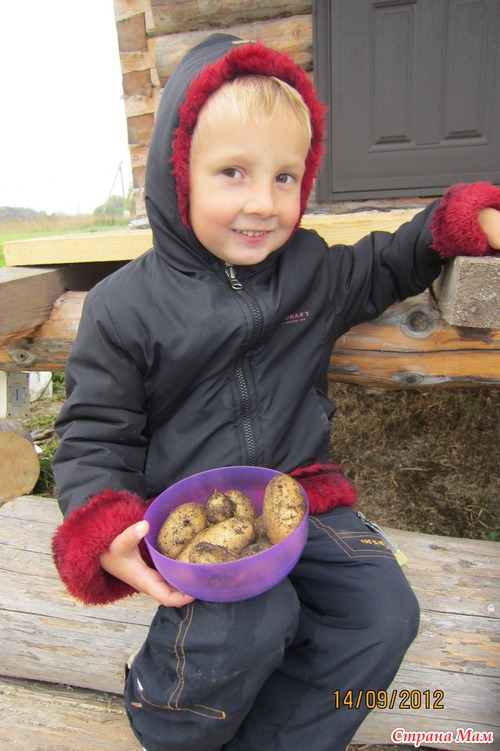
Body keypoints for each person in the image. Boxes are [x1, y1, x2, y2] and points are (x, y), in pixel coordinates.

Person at [51, 33, 500, 751]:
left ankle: (286, 736)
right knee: (254, 619)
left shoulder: (312, 271)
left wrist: (459, 222)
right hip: (199, 522)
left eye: (286, 177)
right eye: (233, 172)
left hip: (303, 496)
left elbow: (392, 260)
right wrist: (104, 527)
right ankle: (167, 716)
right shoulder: (124, 307)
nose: (263, 203)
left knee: (383, 614)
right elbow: (94, 432)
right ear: (177, 172)